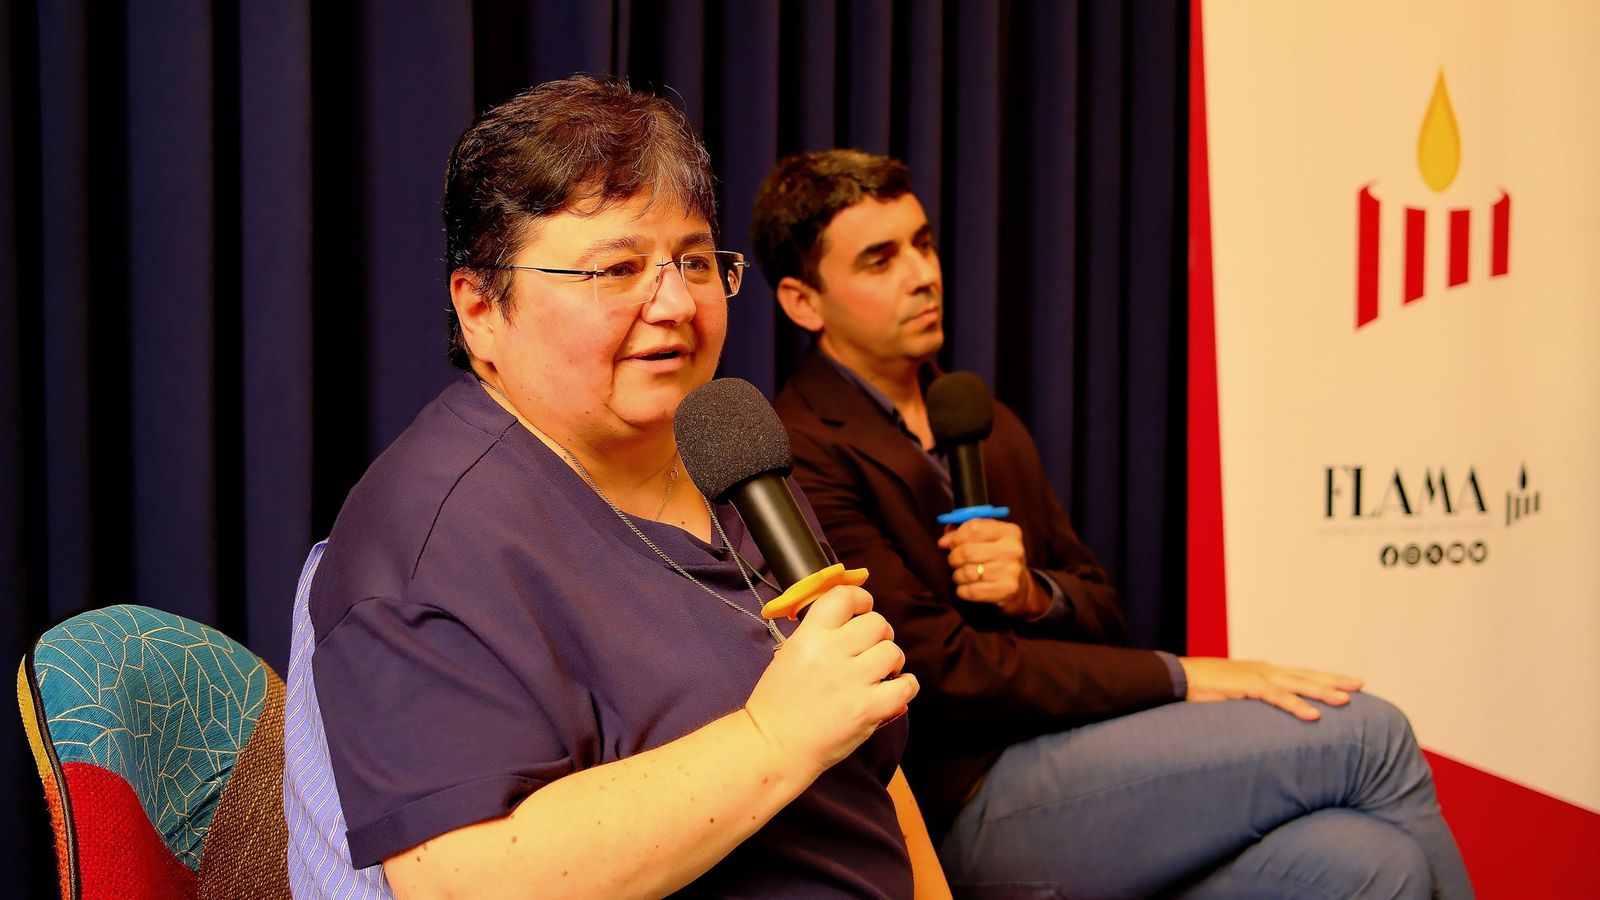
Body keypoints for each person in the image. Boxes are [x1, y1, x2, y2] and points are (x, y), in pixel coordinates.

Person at [752, 148, 1473, 899]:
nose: (923, 274)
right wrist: (1182, 675)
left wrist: (1036, 594)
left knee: (1373, 862)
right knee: (1369, 733)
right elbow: (936, 675)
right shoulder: (800, 446)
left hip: (1083, 755)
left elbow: (1101, 606)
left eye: (923, 244)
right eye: (879, 260)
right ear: (806, 303)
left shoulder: (977, 417)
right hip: (959, 801)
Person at [292, 80, 950, 899]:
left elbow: (865, 760)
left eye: (696, 261)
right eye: (618, 268)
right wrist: (770, 737)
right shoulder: (427, 539)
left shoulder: (728, 452)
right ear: (481, 309)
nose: (674, 302)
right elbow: (466, 879)